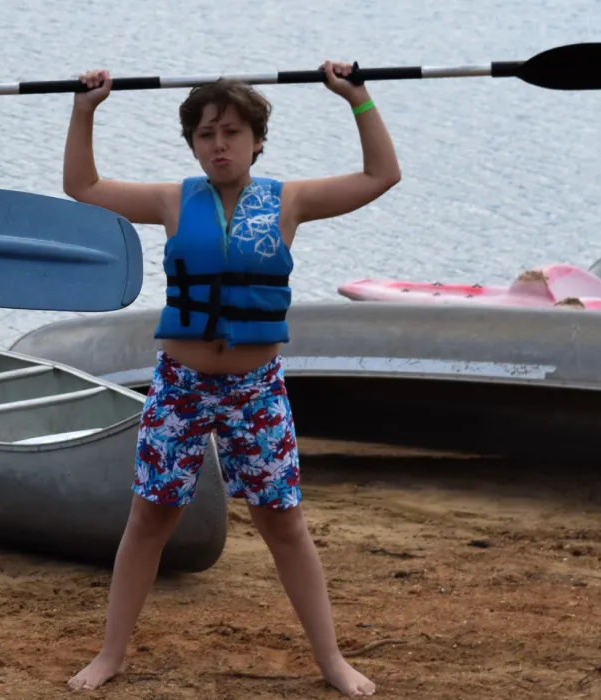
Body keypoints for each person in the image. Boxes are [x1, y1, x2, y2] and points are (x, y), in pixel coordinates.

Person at [59, 61, 400, 696]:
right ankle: (111, 654)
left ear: (257, 141)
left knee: (283, 523)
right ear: (193, 144)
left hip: (256, 389)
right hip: (180, 386)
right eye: (208, 134)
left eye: (233, 132)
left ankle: (332, 661)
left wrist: (357, 99)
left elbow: (383, 175)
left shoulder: (289, 201)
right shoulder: (170, 200)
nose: (221, 145)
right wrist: (86, 109)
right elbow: (82, 184)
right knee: (150, 518)